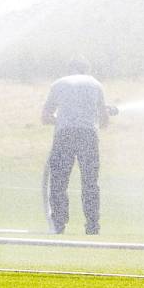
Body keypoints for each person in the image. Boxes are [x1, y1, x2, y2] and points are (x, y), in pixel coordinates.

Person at [42, 57, 111, 235]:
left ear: (69, 69)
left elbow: (46, 116)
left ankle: (58, 224)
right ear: (87, 70)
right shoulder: (96, 84)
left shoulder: (58, 83)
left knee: (58, 181)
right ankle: (92, 226)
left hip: (64, 134)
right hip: (88, 136)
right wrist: (92, 117)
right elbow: (104, 121)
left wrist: (62, 120)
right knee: (90, 182)